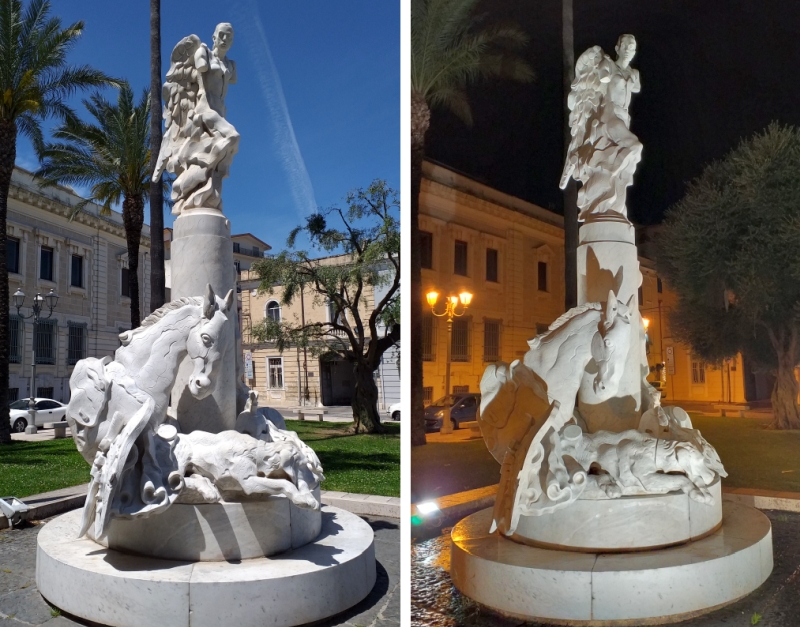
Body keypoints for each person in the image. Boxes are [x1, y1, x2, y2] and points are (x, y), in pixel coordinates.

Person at [561, 34, 643, 220]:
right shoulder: (609, 64)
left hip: (623, 118)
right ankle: (608, 173)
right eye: (625, 45)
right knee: (635, 146)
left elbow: (636, 88)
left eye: (632, 46)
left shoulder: (634, 74)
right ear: (617, 48)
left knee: (629, 160)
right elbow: (601, 77)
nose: (628, 49)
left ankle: (608, 183)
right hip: (609, 115)